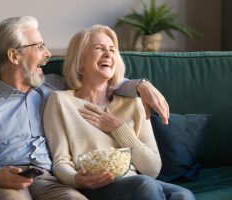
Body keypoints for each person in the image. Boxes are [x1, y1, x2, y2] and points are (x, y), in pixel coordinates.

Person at [0, 16, 169, 200]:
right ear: (15, 56)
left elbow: (100, 79)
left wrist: (142, 85)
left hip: (47, 178)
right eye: (39, 47)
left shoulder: (54, 86)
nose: (48, 54)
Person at [43, 24, 195, 200]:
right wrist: (77, 179)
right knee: (145, 185)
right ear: (80, 61)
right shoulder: (60, 101)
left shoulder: (134, 103)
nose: (108, 54)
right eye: (99, 48)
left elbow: (152, 169)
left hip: (137, 183)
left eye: (112, 50)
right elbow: (61, 161)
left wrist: (118, 127)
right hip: (93, 186)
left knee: (183, 194)